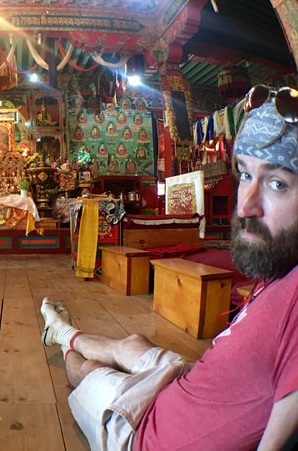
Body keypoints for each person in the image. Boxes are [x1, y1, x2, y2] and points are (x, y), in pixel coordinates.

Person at [40, 87, 298, 450]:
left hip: (143, 432)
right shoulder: (280, 269)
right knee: (134, 343)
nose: (245, 205)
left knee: (90, 371)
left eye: (277, 183)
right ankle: (63, 331)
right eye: (244, 175)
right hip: (192, 378)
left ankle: (63, 340)